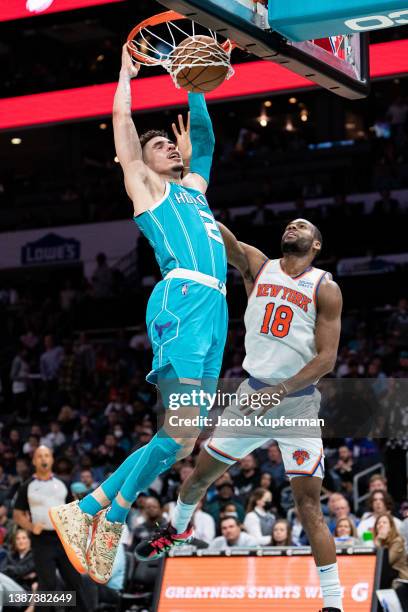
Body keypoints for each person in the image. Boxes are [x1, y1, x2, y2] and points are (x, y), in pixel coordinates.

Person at [50, 43, 227, 585]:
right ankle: (106, 515)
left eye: (169, 147)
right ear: (145, 163)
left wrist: (194, 83)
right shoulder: (147, 188)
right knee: (178, 433)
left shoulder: (193, 191)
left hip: (215, 308)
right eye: (158, 148)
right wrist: (126, 78)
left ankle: (89, 511)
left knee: (181, 439)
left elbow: (207, 143)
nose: (167, 150)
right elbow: (125, 130)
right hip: (183, 300)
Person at [141, 218, 345, 612]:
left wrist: (279, 392)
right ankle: (178, 529)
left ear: (316, 244)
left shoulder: (326, 287)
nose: (292, 226)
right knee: (199, 476)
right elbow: (222, 236)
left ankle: (333, 604)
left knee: (309, 508)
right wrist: (188, 198)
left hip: (296, 402)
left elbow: (327, 359)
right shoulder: (259, 265)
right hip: (252, 394)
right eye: (289, 224)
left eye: (302, 225)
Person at [13, 446, 90, 612]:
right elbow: (18, 514)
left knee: (74, 580)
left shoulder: (63, 484)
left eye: (47, 455)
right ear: (34, 461)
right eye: (39, 456)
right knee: (47, 583)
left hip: (64, 538)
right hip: (42, 541)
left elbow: (72, 509)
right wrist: (31, 527)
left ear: (52, 459)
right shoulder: (27, 486)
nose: (43, 459)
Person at [373, 513, 408, 605]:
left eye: (384, 523)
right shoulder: (377, 542)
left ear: (391, 527)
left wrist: (378, 542)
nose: (381, 525)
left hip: (398, 582)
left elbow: (384, 562)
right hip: (384, 580)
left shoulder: (398, 542)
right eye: (378, 523)